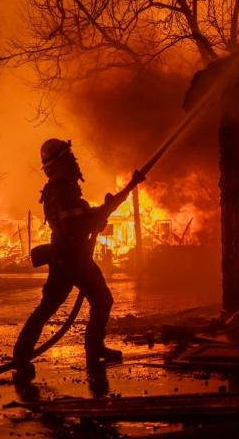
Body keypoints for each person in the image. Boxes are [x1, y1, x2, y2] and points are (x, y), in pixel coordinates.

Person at [13, 138, 144, 378]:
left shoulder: (63, 188)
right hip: (72, 257)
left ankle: (22, 355)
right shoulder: (61, 190)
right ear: (59, 164)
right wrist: (102, 213)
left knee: (51, 307)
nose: (74, 161)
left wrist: (120, 196)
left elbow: (84, 218)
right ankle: (92, 352)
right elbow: (76, 225)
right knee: (101, 300)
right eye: (69, 158)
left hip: (68, 256)